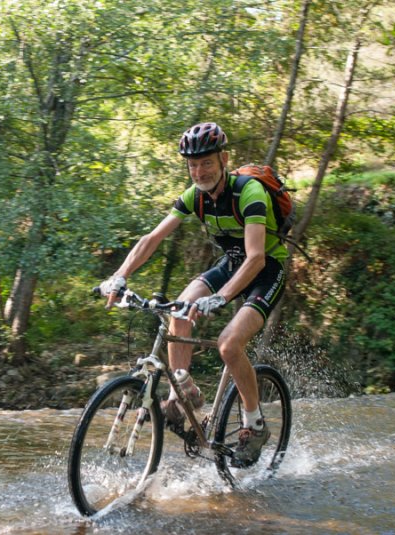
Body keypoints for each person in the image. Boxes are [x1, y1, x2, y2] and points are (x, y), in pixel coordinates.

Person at [99, 122, 288, 468]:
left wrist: (222, 297)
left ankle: (254, 424)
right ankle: (182, 392)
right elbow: (151, 239)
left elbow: (257, 257)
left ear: (224, 160)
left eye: (206, 163)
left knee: (229, 344)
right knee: (179, 311)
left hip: (266, 270)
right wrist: (120, 276)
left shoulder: (249, 193)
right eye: (192, 164)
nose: (198, 171)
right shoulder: (194, 196)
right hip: (230, 264)